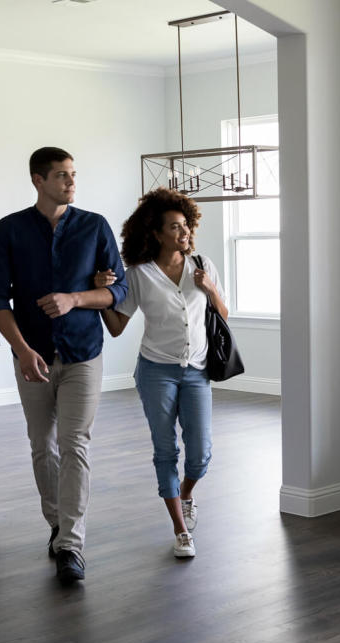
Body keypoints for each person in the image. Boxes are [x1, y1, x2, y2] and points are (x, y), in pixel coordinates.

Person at [0, 146, 127, 585]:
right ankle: (57, 524)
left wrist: (75, 298)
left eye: (73, 175)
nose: (71, 183)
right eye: (62, 175)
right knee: (41, 444)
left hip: (83, 352)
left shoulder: (94, 226)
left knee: (75, 444)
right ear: (37, 180)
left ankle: (71, 544)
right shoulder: (8, 230)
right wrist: (23, 350)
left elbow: (118, 291)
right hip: (32, 356)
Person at [96, 188, 226, 558]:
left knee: (200, 454)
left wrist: (210, 287)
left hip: (197, 370)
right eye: (174, 227)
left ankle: (185, 494)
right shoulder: (139, 274)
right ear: (155, 232)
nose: (183, 233)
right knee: (165, 449)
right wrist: (100, 297)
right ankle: (181, 531)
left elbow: (224, 314)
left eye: (185, 225)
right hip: (156, 371)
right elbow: (118, 326)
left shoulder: (203, 263)